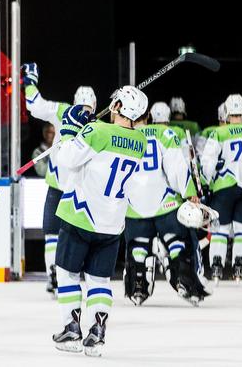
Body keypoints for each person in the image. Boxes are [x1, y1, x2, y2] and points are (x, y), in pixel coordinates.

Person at [52, 85, 148, 357]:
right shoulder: (140, 141)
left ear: (117, 107)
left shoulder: (98, 131)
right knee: (100, 279)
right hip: (112, 222)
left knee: (67, 272)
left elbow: (66, 158)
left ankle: (71, 327)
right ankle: (98, 331)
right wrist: (87, 130)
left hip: (81, 215)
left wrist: (70, 129)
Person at [21, 62, 97, 296]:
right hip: (81, 190)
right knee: (76, 235)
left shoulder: (63, 110)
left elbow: (35, 105)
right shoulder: (98, 124)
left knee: (53, 234)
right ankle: (71, 274)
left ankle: (54, 274)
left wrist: (30, 83)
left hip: (57, 185)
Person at [124, 104, 211, 306]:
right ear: (148, 116)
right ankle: (183, 281)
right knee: (178, 243)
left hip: (134, 206)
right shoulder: (164, 133)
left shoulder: (121, 136)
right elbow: (176, 167)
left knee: (137, 246)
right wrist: (190, 192)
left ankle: (138, 286)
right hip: (165, 203)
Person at [200, 94, 242, 283]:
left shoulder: (219, 133)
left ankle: (216, 266)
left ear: (227, 113)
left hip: (224, 186)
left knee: (220, 229)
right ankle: (239, 267)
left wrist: (206, 183)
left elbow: (207, 162)